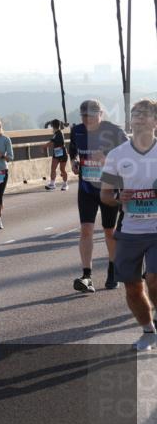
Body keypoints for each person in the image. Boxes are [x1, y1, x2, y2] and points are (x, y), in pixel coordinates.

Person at [100, 98, 157, 351]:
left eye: (145, 114)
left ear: (155, 121)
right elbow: (105, 195)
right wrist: (116, 198)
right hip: (130, 230)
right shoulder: (116, 155)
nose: (139, 117)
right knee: (133, 287)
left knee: (154, 280)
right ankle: (148, 331)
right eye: (135, 113)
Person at [69, 99, 128, 292]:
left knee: (109, 231)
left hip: (109, 188)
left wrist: (108, 158)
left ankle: (113, 271)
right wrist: (74, 162)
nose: (87, 119)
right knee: (86, 229)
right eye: (84, 116)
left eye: (91, 116)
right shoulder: (77, 130)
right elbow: (73, 151)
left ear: (100, 114)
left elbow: (129, 155)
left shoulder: (113, 131)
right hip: (86, 188)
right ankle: (87, 276)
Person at [43, 119, 69, 191]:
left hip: (62, 153)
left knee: (62, 169)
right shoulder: (57, 133)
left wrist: (44, 146)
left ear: (53, 126)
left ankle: (65, 184)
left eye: (51, 126)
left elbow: (51, 142)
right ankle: (52, 184)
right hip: (57, 153)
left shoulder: (58, 133)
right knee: (53, 168)